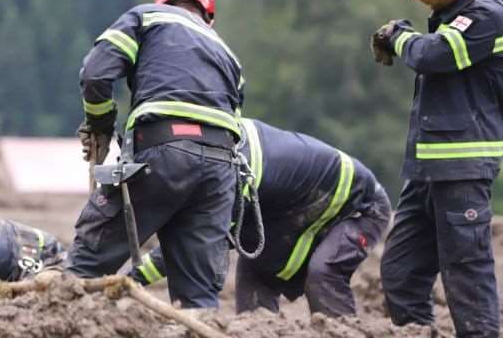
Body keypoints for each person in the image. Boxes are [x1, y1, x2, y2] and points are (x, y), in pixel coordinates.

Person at [65, 0, 244, 308]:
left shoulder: (147, 17)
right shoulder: (229, 56)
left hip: (162, 151)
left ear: (164, 3)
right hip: (220, 172)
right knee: (199, 299)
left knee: (84, 267)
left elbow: (95, 73)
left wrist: (100, 124)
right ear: (209, 18)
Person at [372, 0, 501, 337]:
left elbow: (434, 55)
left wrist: (399, 37)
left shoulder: (485, 15)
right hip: (427, 168)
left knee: (466, 278)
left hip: (462, 167)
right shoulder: (448, 16)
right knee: (399, 275)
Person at [128, 118, 391, 317]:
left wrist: (132, 279)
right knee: (254, 269)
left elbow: (193, 246)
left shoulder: (225, 171)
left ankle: (339, 330)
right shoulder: (213, 144)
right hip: (294, 210)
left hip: (359, 206)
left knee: (324, 273)